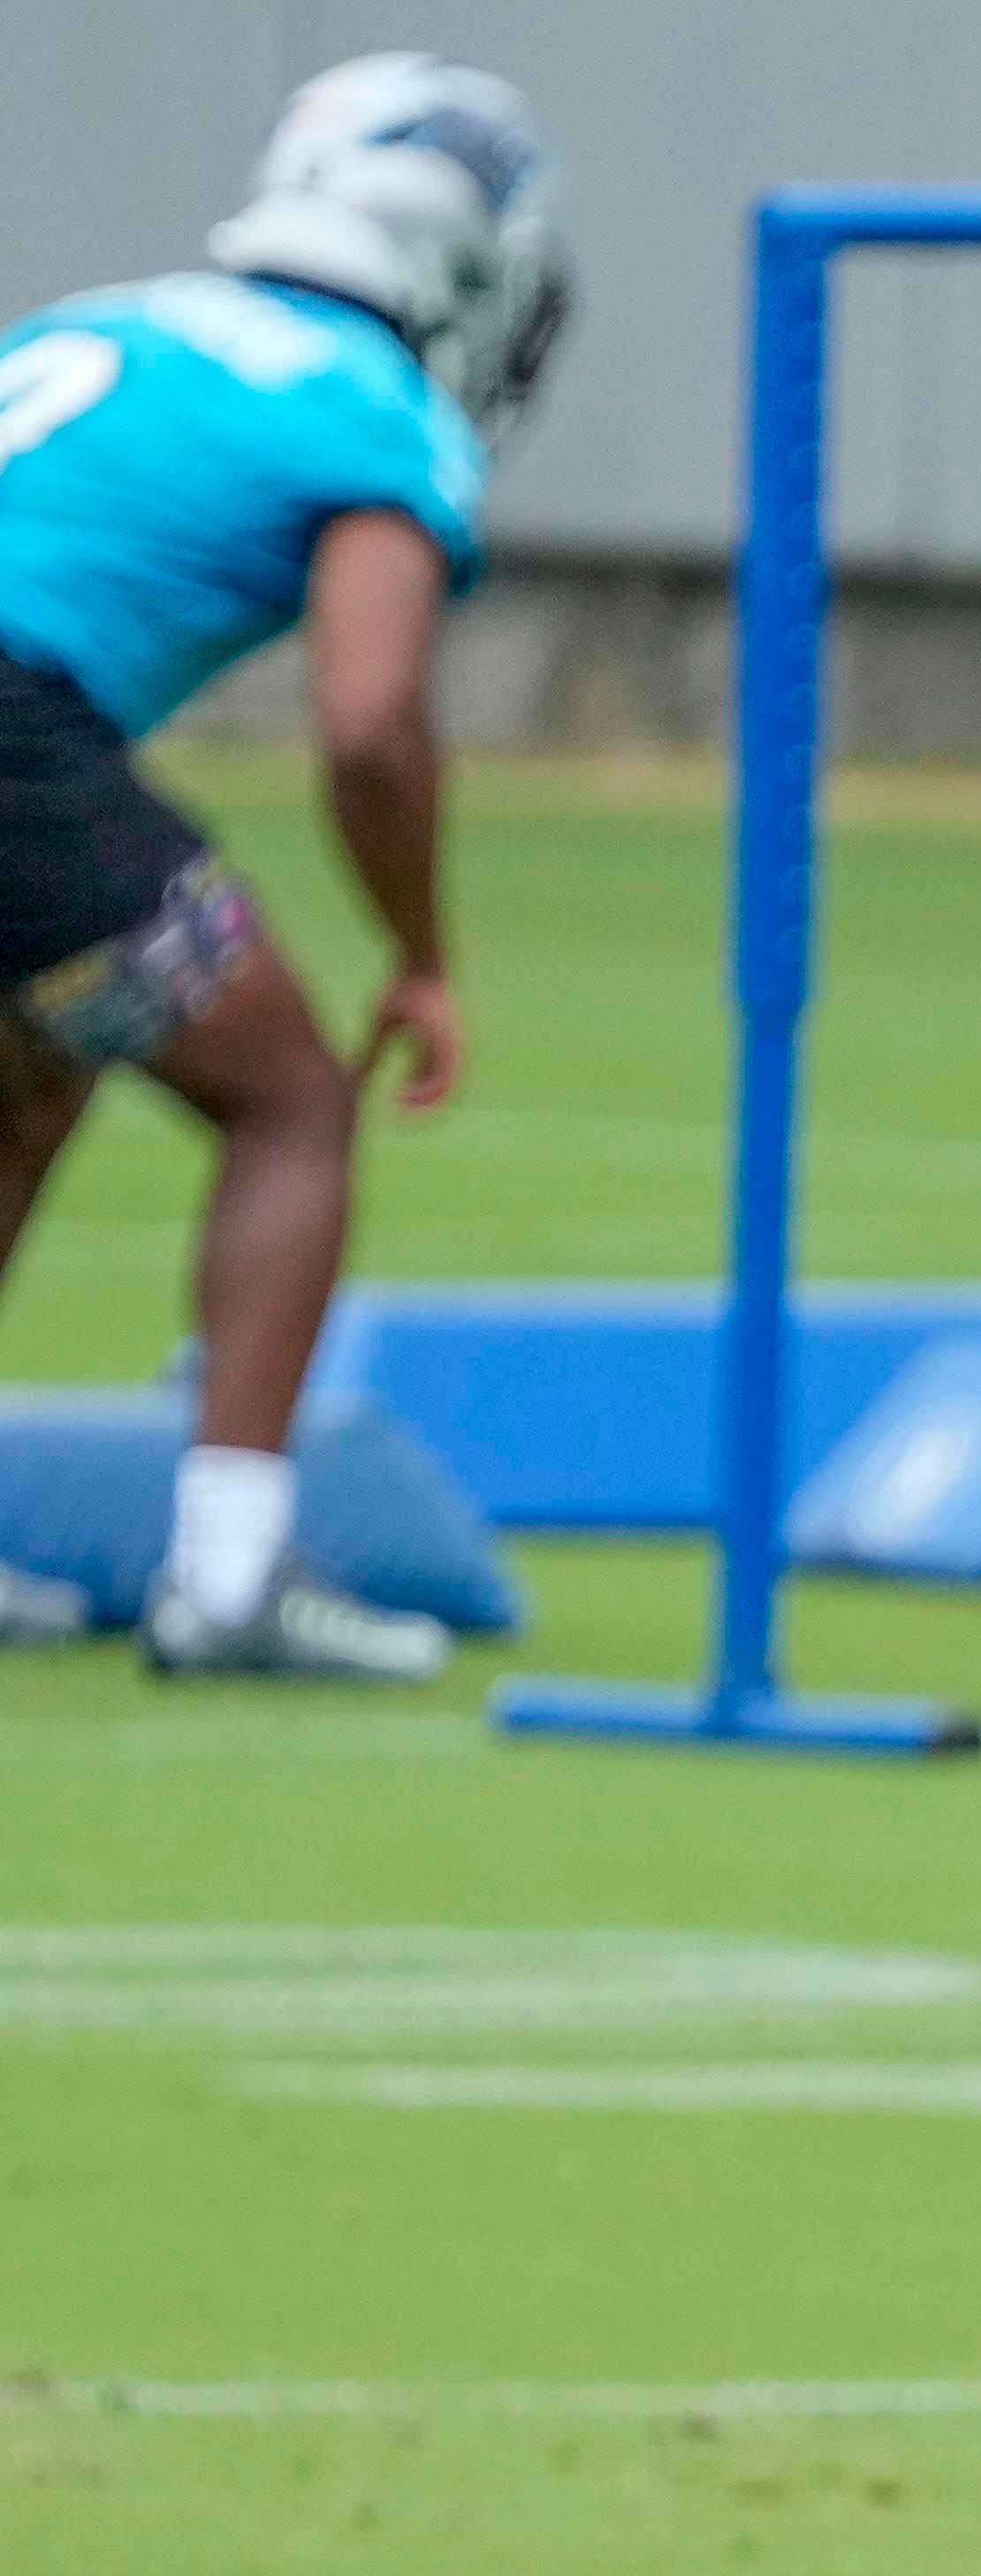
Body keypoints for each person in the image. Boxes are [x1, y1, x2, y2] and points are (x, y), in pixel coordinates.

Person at [0, 56, 563, 1684]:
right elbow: (372, 722)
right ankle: (229, 1577)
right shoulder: (377, 410)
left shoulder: (110, 317)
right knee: (287, 1099)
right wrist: (424, 952)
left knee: (34, 1071)